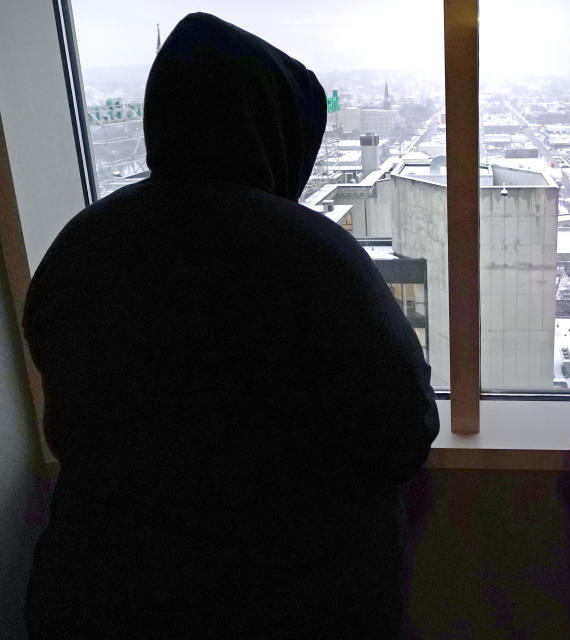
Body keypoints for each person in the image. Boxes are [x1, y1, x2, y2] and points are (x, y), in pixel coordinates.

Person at [23, 13, 438, 639]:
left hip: (103, 591)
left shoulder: (83, 243)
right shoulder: (318, 258)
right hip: (287, 599)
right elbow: (405, 429)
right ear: (269, 127)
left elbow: (69, 424)